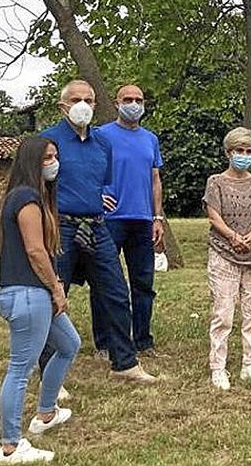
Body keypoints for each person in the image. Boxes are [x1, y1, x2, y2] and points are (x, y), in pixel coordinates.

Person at [41, 79, 156, 383]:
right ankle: (48, 371)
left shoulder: (102, 143)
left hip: (97, 226)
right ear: (62, 106)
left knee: (116, 293)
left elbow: (101, 181)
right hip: (61, 227)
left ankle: (125, 362)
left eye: (88, 100)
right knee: (54, 296)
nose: (82, 105)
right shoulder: (47, 142)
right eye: (76, 99)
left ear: (95, 105)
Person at [0, 137, 81, 463]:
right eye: (47, 157)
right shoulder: (27, 198)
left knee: (69, 343)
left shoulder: (32, 197)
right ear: (32, 161)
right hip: (29, 295)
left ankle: (46, 413)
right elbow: (35, 250)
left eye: (56, 156)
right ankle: (11, 445)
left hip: (32, 295)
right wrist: (57, 288)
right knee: (21, 368)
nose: (54, 163)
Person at [97, 84, 165, 358]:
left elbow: (155, 179)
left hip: (142, 220)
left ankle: (142, 340)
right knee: (106, 284)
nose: (134, 104)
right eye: (128, 99)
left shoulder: (150, 139)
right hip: (110, 220)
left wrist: (157, 217)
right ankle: (104, 342)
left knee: (143, 283)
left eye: (138, 99)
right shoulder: (101, 135)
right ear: (116, 103)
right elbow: (89, 169)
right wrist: (97, 195)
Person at [204, 128, 251, 390]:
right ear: (228, 152)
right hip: (224, 252)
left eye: (248, 151)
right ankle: (218, 367)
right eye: (239, 151)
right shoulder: (216, 182)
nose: (243, 155)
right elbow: (213, 215)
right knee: (223, 313)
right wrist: (233, 236)